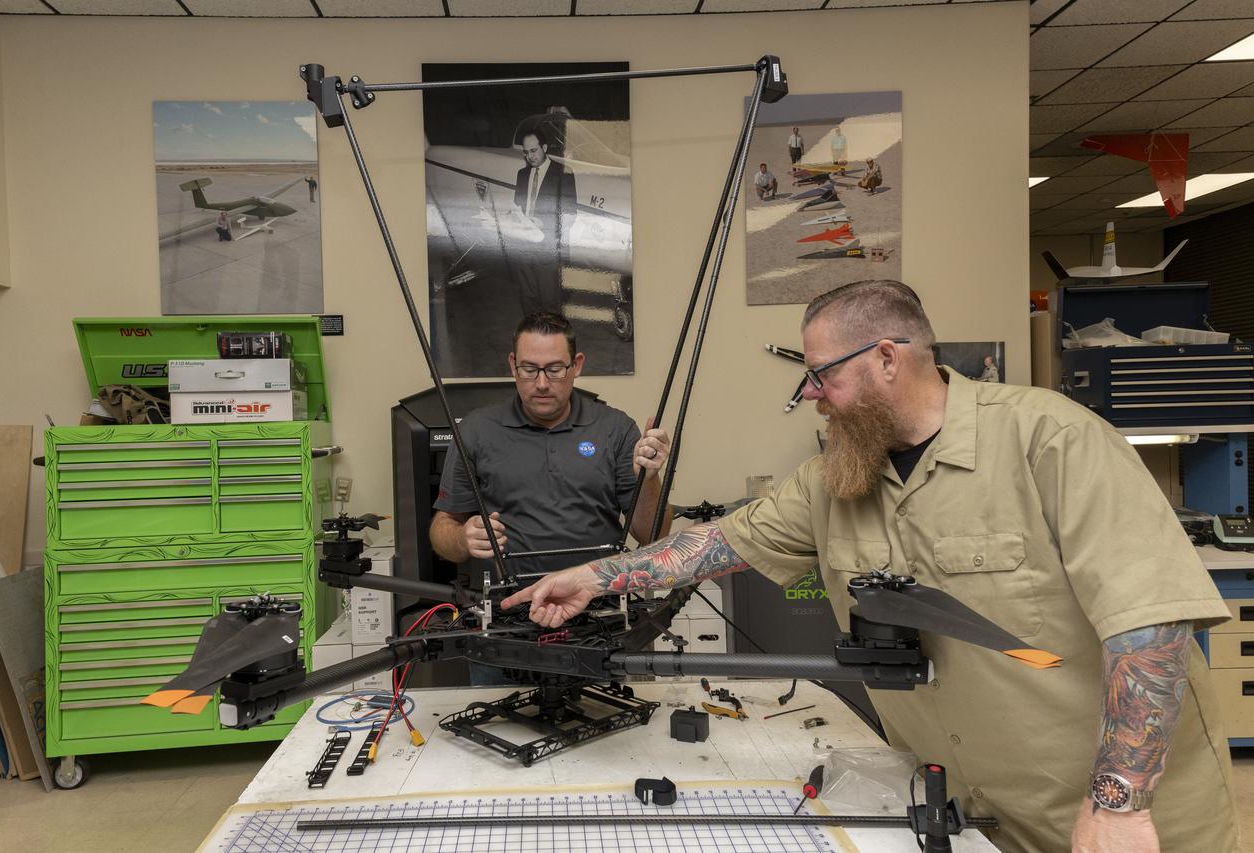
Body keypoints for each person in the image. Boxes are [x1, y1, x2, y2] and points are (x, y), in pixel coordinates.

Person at [503, 280, 1238, 853]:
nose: (811, 397)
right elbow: (720, 542)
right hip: (973, 814)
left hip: (1116, 823)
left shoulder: (1054, 442)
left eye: (821, 375)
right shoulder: (836, 476)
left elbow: (1151, 626)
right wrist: (595, 576)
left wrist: (1118, 800)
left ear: (888, 358)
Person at [431, 311, 673, 581]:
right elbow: (442, 528)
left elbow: (652, 534)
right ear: (513, 365)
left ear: (577, 365)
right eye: (530, 369)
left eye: (555, 369)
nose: (542, 384)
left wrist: (649, 480)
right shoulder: (476, 430)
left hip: (601, 599)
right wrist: (463, 539)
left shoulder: (615, 429)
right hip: (513, 601)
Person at [509, 131, 577, 316]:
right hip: (523, 247)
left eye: (533, 150)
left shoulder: (563, 173)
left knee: (550, 304)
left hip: (548, 248)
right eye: (526, 152)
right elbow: (518, 208)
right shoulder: (522, 174)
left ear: (544, 148)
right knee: (528, 302)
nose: (529, 156)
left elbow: (570, 214)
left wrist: (544, 223)